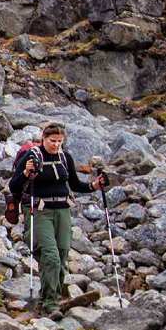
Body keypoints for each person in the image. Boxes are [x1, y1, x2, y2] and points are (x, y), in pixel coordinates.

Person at [8, 122, 104, 315]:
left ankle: (47, 297)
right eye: (53, 141)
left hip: (62, 210)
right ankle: (52, 304)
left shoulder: (65, 157)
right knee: (50, 255)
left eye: (60, 141)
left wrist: (95, 185)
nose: (56, 145)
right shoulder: (32, 156)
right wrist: (26, 172)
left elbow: (76, 185)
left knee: (61, 255)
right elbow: (14, 186)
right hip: (40, 211)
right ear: (43, 138)